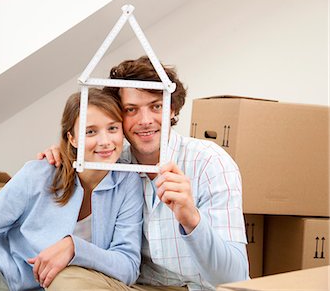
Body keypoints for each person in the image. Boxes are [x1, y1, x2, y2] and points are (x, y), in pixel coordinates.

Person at [39, 56, 249, 291]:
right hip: (136, 287)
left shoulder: (210, 162)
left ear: (172, 109)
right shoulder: (113, 163)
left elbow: (236, 277)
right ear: (118, 115)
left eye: (156, 106)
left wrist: (192, 219)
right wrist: (68, 155)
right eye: (131, 110)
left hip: (199, 288)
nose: (145, 121)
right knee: (65, 280)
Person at [0, 89, 144, 291]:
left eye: (112, 128)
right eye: (90, 132)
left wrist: (75, 248)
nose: (105, 141)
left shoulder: (127, 182)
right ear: (72, 138)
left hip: (54, 285)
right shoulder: (38, 174)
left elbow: (128, 266)